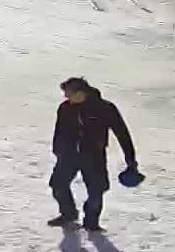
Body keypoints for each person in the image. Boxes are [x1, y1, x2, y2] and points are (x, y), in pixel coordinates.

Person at [50, 78, 139, 231]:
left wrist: (130, 160)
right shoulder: (65, 108)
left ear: (80, 92)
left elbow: (122, 134)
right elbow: (59, 131)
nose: (66, 97)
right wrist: (58, 150)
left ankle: (91, 222)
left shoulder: (105, 108)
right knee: (58, 185)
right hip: (68, 154)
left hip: (93, 156)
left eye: (68, 94)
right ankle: (68, 213)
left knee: (96, 190)